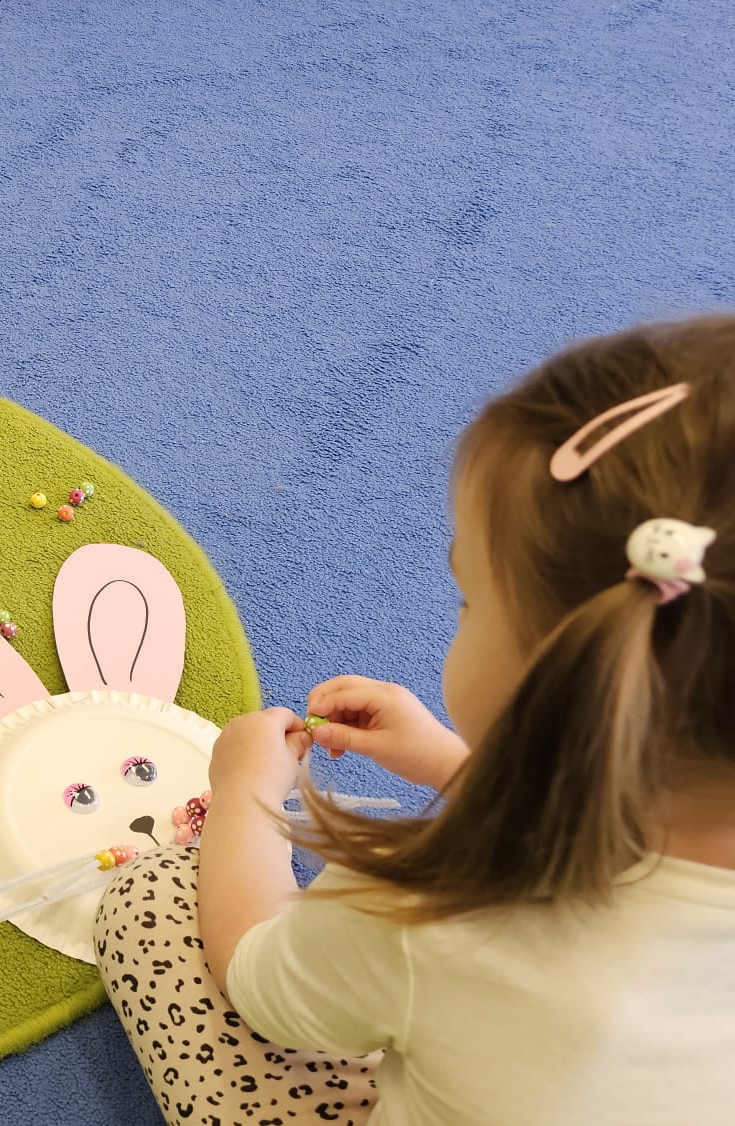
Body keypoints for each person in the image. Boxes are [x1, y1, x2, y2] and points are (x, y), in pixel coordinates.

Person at [95, 317, 735, 1124]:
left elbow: (257, 979)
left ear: (564, 677)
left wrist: (246, 794)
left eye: (468, 600)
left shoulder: (433, 900)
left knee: (150, 902)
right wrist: (454, 766)